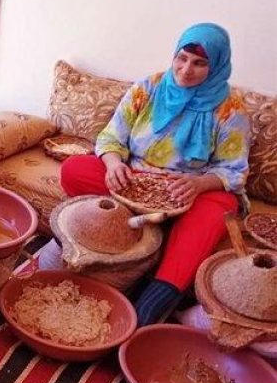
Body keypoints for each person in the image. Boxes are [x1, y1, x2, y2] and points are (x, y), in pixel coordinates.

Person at [59, 22, 251, 326]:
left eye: (200, 63)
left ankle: (155, 299)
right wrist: (114, 165)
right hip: (133, 181)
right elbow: (111, 138)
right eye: (182, 58)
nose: (186, 70)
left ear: (217, 66)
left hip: (187, 192)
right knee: (75, 169)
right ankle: (122, 236)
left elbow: (234, 171)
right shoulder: (148, 88)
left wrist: (199, 184)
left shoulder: (231, 110)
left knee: (220, 209)